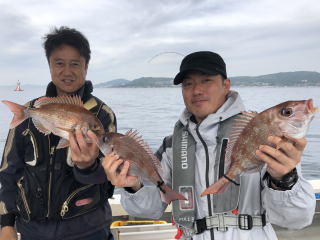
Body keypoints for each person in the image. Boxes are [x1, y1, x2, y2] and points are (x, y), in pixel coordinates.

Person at [102, 51, 316, 239]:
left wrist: (285, 179)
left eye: (206, 80)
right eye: (188, 83)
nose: (197, 90)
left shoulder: (262, 133)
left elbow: (297, 219)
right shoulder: (171, 146)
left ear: (226, 84)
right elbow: (150, 210)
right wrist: (132, 186)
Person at [0, 26, 116, 240]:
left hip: (89, 230)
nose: (67, 71)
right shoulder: (29, 112)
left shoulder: (102, 115)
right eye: (59, 63)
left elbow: (110, 180)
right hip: (33, 231)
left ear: (86, 67)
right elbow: (9, 171)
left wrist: (87, 166)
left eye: (75, 64)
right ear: (50, 66)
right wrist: (6, 224)